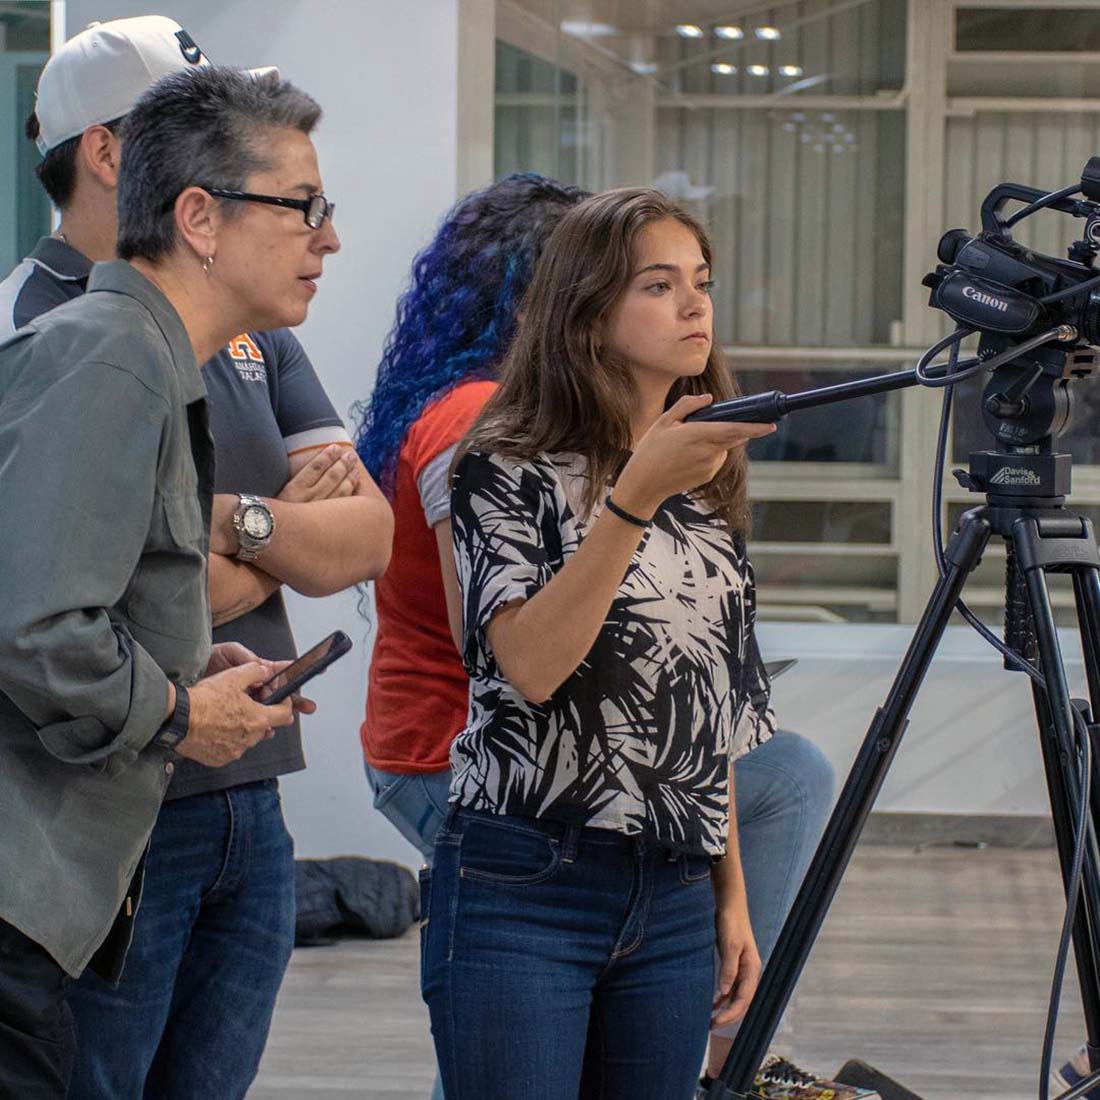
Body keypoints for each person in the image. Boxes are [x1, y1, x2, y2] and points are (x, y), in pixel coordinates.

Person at [357, 174, 835, 1099]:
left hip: (669, 884)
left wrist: (731, 899)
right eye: (657, 284)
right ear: (580, 312)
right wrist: (633, 497)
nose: (694, 300)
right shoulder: (504, 458)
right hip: (526, 868)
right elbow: (526, 666)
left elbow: (713, 716)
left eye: (700, 278)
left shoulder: (704, 475)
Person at [0, 18, 393, 1099]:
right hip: (52, 879)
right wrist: (178, 710)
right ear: (199, 218)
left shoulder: (155, 356)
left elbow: (364, 536)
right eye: (302, 207)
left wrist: (187, 653)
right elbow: (35, 627)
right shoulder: (104, 356)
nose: (329, 238)